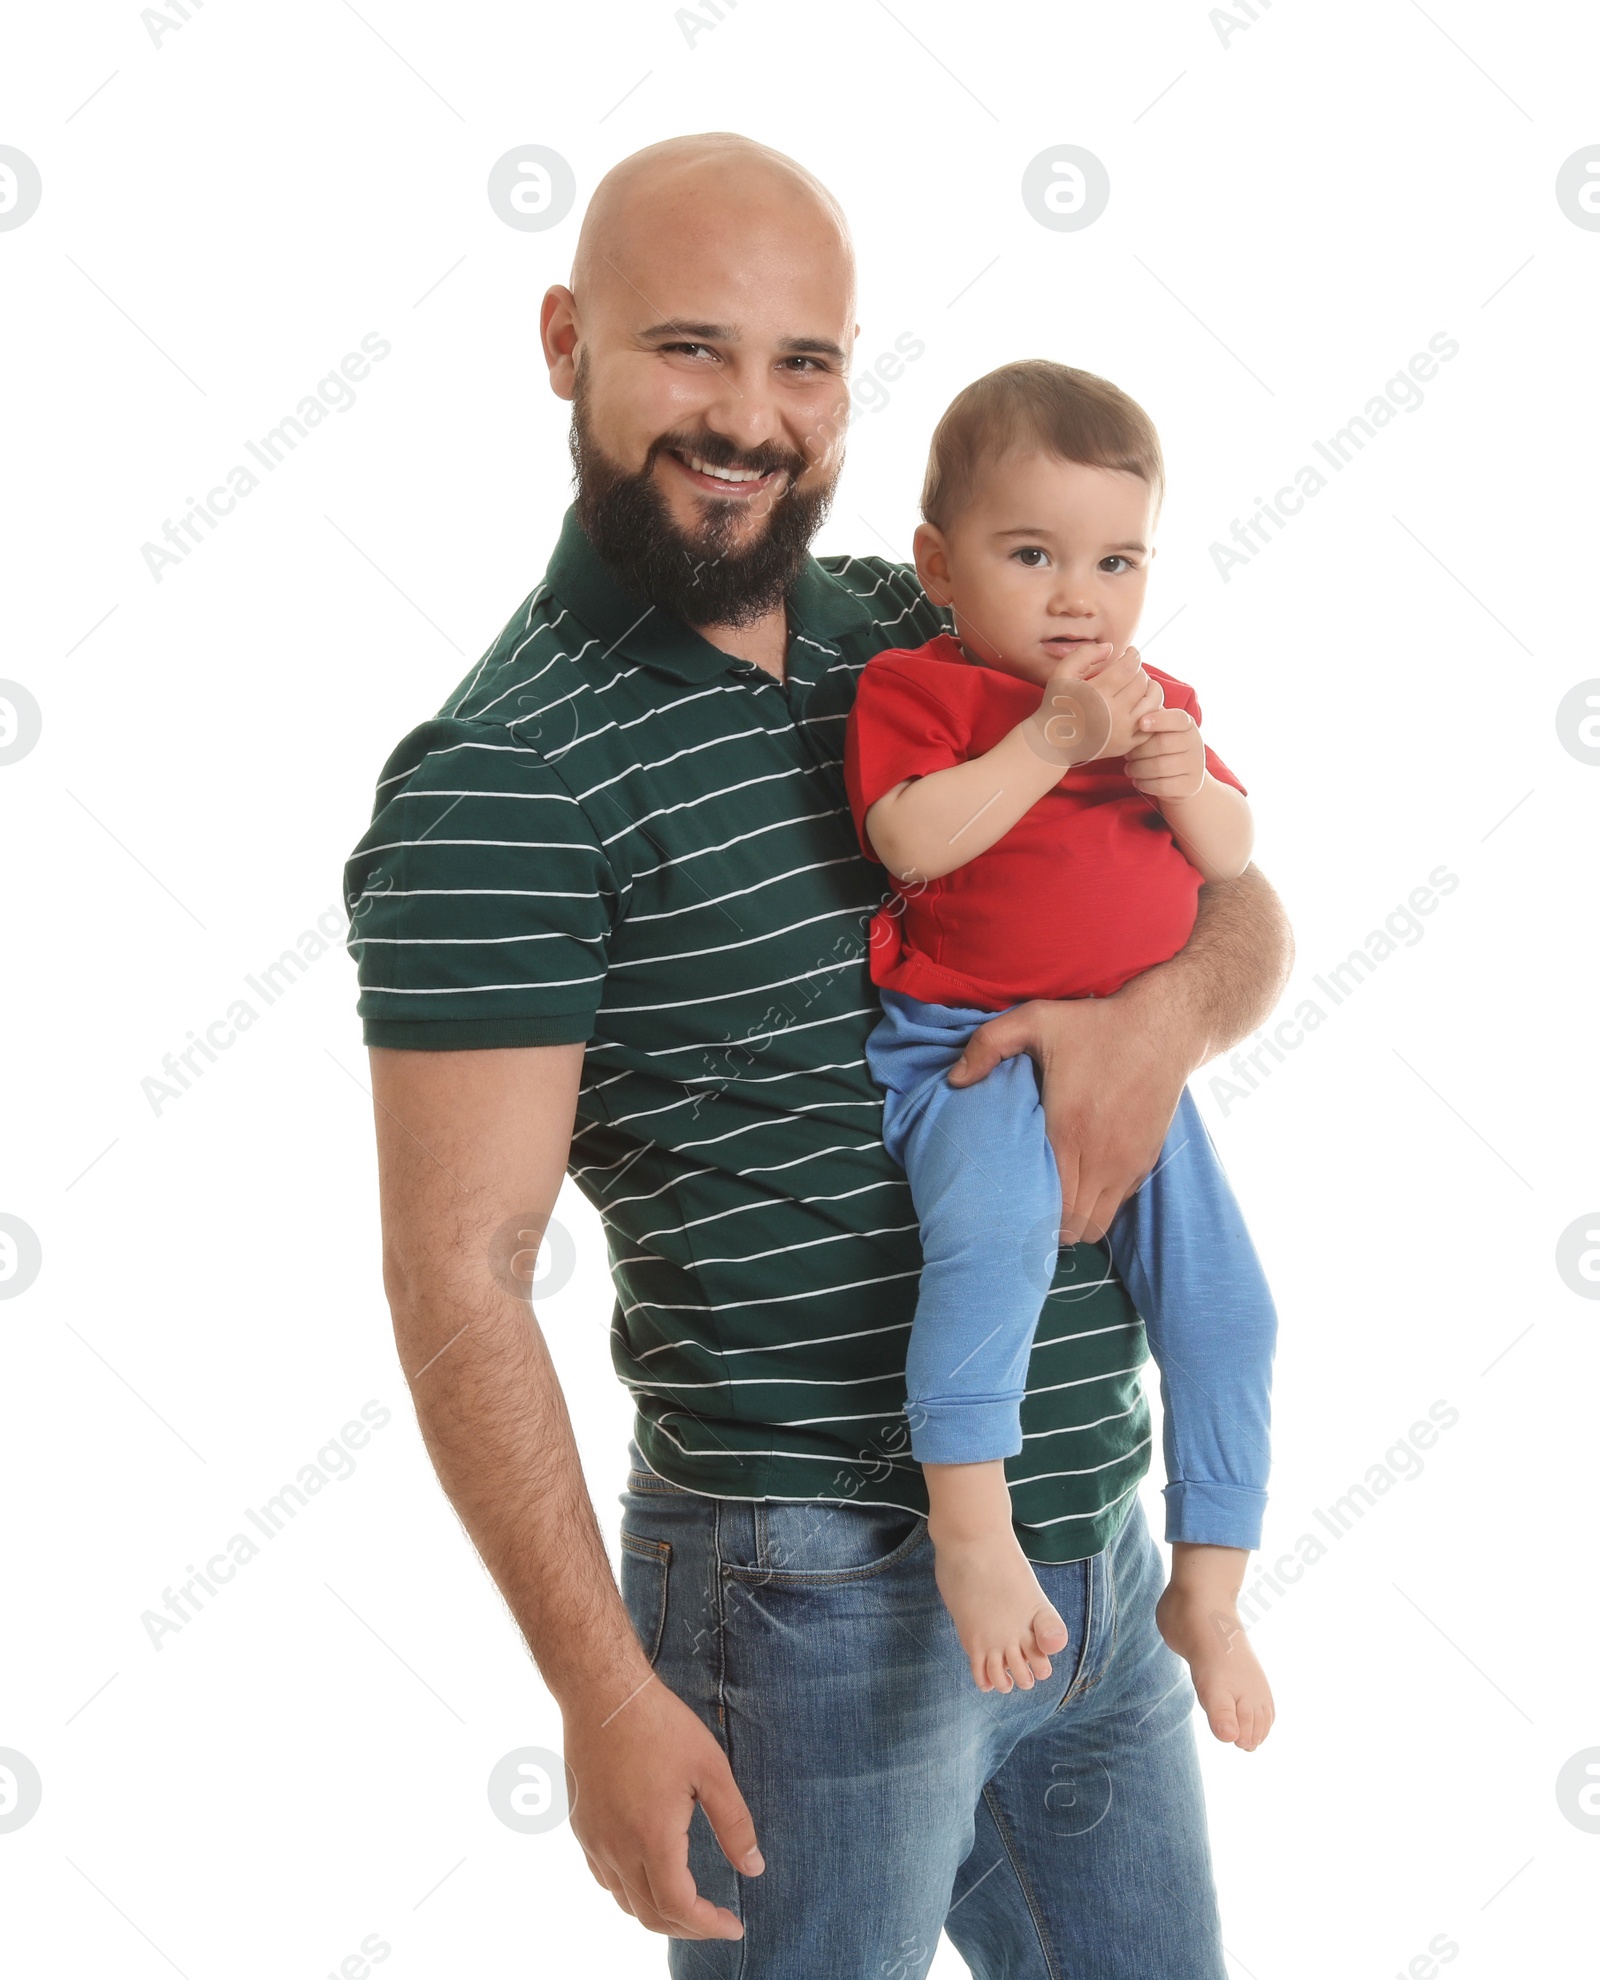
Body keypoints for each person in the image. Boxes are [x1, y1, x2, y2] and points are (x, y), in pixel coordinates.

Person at [343, 131, 1293, 1979]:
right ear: (566, 342)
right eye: (690, 349)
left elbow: (1237, 904)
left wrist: (1146, 1031)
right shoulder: (500, 784)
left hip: (1092, 1541)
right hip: (810, 1601)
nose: (751, 418)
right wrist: (599, 1688)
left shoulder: (930, 622)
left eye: (807, 364)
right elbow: (454, 1272)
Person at [844, 359, 1278, 1739]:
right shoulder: (923, 690)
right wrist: (1045, 743)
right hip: (964, 1046)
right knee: (1000, 1242)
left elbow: (1235, 861)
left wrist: (1185, 778)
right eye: (1031, 555)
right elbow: (911, 840)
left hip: (1133, 1059)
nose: (1078, 598)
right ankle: (973, 1526)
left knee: (1230, 1307)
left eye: (1115, 561)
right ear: (942, 566)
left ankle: (1206, 1584)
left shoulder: (1156, 701)